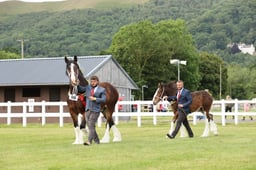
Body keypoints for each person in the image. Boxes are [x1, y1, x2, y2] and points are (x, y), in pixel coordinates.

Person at [77, 75, 106, 146]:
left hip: (95, 111)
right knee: (91, 126)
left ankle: (89, 141)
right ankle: (97, 141)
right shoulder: (87, 88)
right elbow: (80, 89)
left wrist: (95, 99)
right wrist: (77, 84)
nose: (92, 83)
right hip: (87, 110)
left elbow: (104, 99)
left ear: (97, 82)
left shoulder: (102, 90)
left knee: (91, 125)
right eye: (91, 81)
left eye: (94, 81)